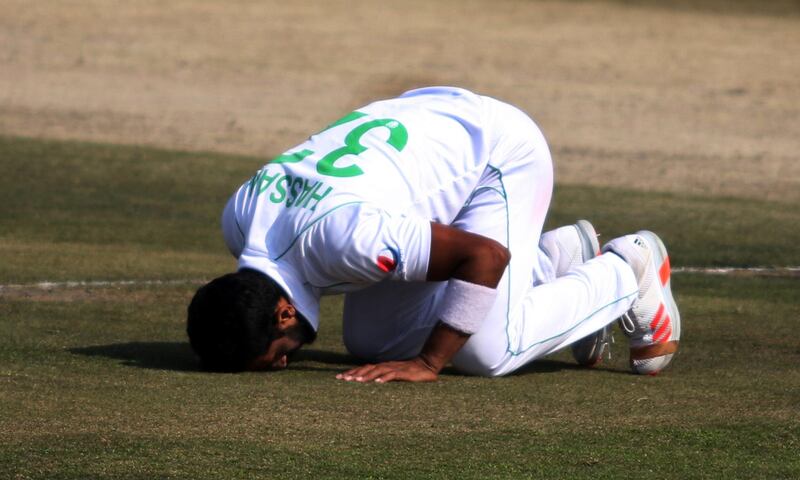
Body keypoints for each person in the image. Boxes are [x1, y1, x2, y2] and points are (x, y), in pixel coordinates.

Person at [186, 86, 681, 382]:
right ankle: (556, 259)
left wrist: (428, 362)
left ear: (284, 311)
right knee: (372, 340)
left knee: (487, 352)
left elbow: (482, 257)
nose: (282, 365)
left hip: (495, 153)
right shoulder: (239, 219)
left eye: (275, 357)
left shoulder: (349, 241)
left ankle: (626, 270)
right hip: (428, 130)